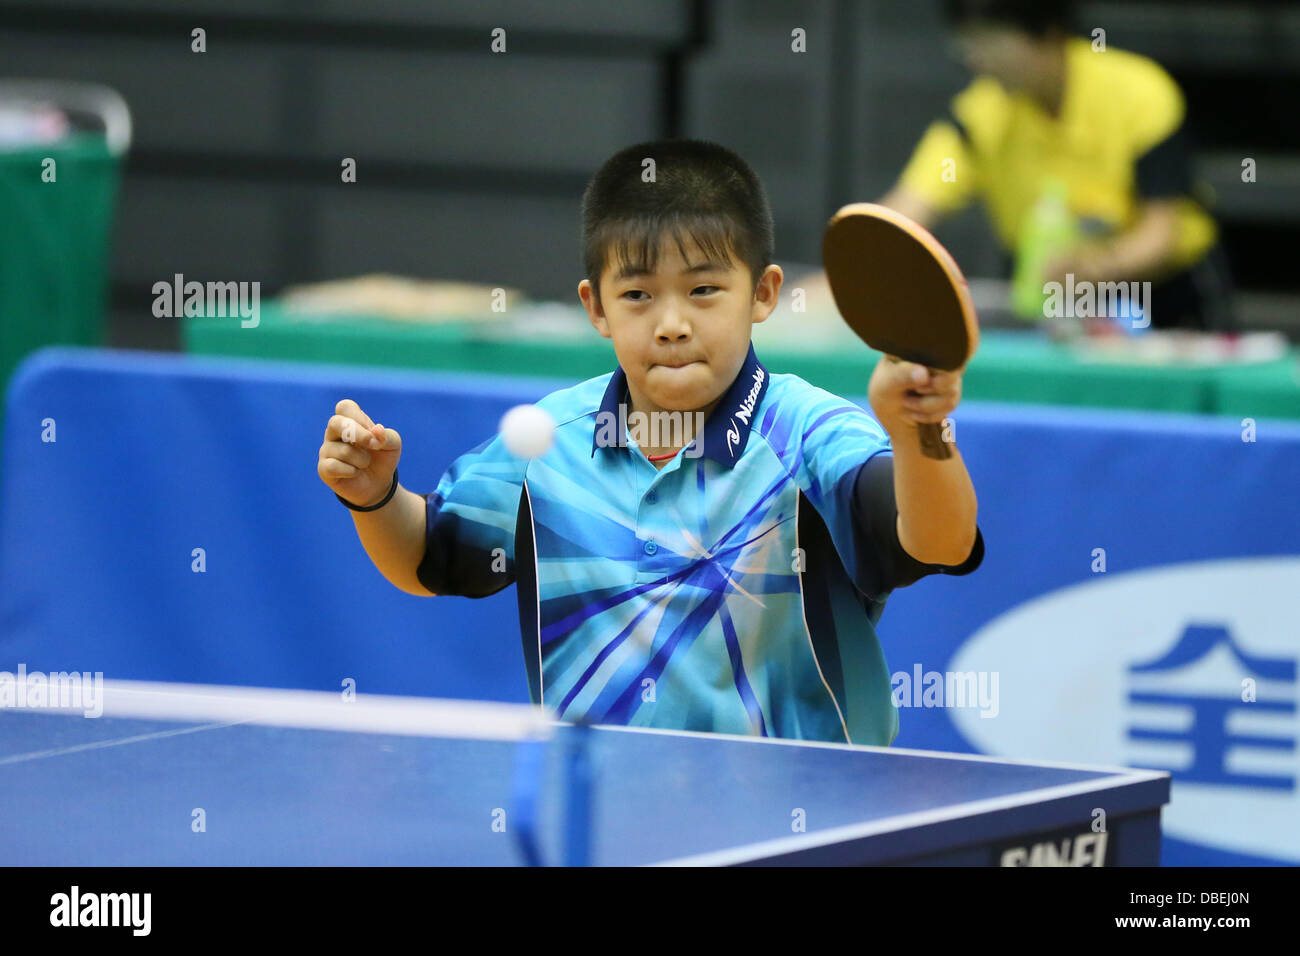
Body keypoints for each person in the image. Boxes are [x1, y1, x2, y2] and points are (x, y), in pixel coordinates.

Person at [316, 139, 983, 746]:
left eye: (703, 290)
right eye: (637, 294)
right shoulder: (549, 443)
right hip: (601, 821)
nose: (670, 324)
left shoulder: (807, 433)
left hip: (803, 820)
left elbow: (937, 541)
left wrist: (919, 433)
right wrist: (376, 499)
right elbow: (428, 560)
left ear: (764, 293)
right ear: (596, 307)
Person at [881, 0, 1233, 330]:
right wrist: (854, 267)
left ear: (1048, 33)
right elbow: (907, 210)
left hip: (1161, 297)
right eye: (966, 41)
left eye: (988, 39)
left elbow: (1160, 234)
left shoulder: (1139, 93)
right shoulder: (978, 115)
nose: (974, 57)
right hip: (1049, 302)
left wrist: (1094, 266)